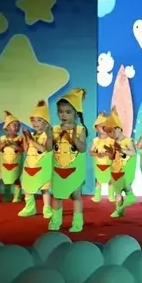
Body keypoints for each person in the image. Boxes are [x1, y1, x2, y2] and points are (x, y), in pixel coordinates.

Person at [48, 88, 88, 233]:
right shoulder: (54, 129)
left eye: (68, 112)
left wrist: (74, 139)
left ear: (76, 113)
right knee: (57, 195)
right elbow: (48, 148)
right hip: (59, 168)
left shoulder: (80, 129)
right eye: (60, 112)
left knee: (76, 195)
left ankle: (77, 222)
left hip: (74, 169)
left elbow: (82, 149)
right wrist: (50, 137)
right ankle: (56, 220)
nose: (63, 115)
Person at [19, 100, 53, 218]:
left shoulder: (48, 136)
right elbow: (25, 149)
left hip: (41, 166)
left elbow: (43, 149)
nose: (35, 123)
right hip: (30, 164)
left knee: (44, 188)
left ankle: (47, 208)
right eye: (33, 120)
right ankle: (30, 207)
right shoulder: (33, 135)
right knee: (28, 187)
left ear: (46, 123)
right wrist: (25, 138)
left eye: (39, 120)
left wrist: (31, 140)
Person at [103, 107, 137, 217]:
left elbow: (133, 153)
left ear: (118, 129)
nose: (109, 135)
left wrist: (122, 150)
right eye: (107, 132)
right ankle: (118, 210)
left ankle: (129, 196)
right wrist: (110, 153)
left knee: (125, 186)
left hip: (125, 169)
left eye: (110, 131)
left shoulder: (127, 140)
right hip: (116, 169)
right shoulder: (113, 142)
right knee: (117, 191)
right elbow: (113, 157)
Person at [0, 110, 23, 203]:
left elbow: (22, 149)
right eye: (14, 125)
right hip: (5, 162)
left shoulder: (19, 138)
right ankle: (7, 195)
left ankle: (17, 196)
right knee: (6, 179)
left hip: (15, 162)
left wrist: (13, 145)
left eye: (18, 126)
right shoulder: (2, 138)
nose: (16, 127)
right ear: (7, 127)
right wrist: (3, 145)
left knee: (16, 179)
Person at [90, 111, 115, 203]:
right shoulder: (95, 140)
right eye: (101, 126)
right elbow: (91, 151)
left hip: (109, 163)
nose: (104, 129)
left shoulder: (111, 140)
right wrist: (97, 154)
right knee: (98, 180)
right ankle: (97, 196)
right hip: (99, 163)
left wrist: (109, 153)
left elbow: (114, 152)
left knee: (111, 179)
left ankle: (111, 195)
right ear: (96, 128)